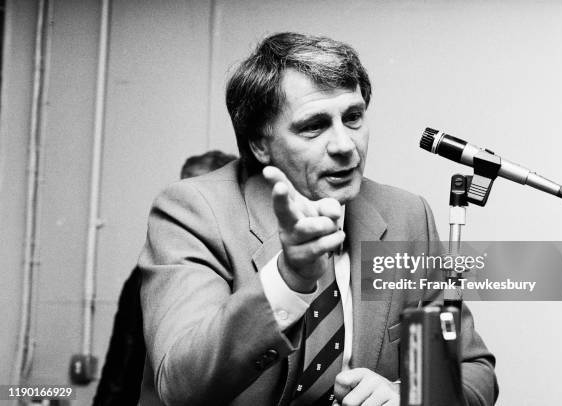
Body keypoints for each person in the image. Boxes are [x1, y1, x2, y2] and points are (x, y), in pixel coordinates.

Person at [138, 32, 498, 406]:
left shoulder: (406, 216)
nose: (345, 145)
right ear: (260, 144)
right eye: (314, 125)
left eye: (354, 117)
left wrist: (410, 395)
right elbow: (181, 389)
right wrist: (288, 279)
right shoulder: (194, 212)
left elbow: (471, 371)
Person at [92, 150, 236, 406]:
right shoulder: (152, 270)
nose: (186, 202)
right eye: (183, 188)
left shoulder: (253, 263)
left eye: (199, 190)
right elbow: (124, 358)